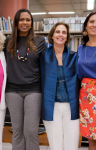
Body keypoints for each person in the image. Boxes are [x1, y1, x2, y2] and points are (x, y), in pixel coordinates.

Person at [4, 8, 47, 150]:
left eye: (28, 20)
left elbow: (49, 61)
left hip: (34, 90)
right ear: (16, 22)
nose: (25, 22)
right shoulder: (7, 41)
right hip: (12, 91)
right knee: (17, 130)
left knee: (31, 131)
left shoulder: (40, 41)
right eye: (21, 19)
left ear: (31, 23)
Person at [40, 22, 80, 150]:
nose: (60, 35)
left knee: (72, 143)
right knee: (55, 144)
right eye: (58, 32)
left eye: (64, 32)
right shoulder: (43, 56)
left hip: (71, 105)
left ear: (67, 37)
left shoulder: (75, 57)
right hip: (51, 105)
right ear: (52, 35)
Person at [78, 11, 96, 150]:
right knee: (91, 138)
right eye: (91, 21)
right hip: (86, 97)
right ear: (86, 26)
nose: (94, 25)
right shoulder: (80, 48)